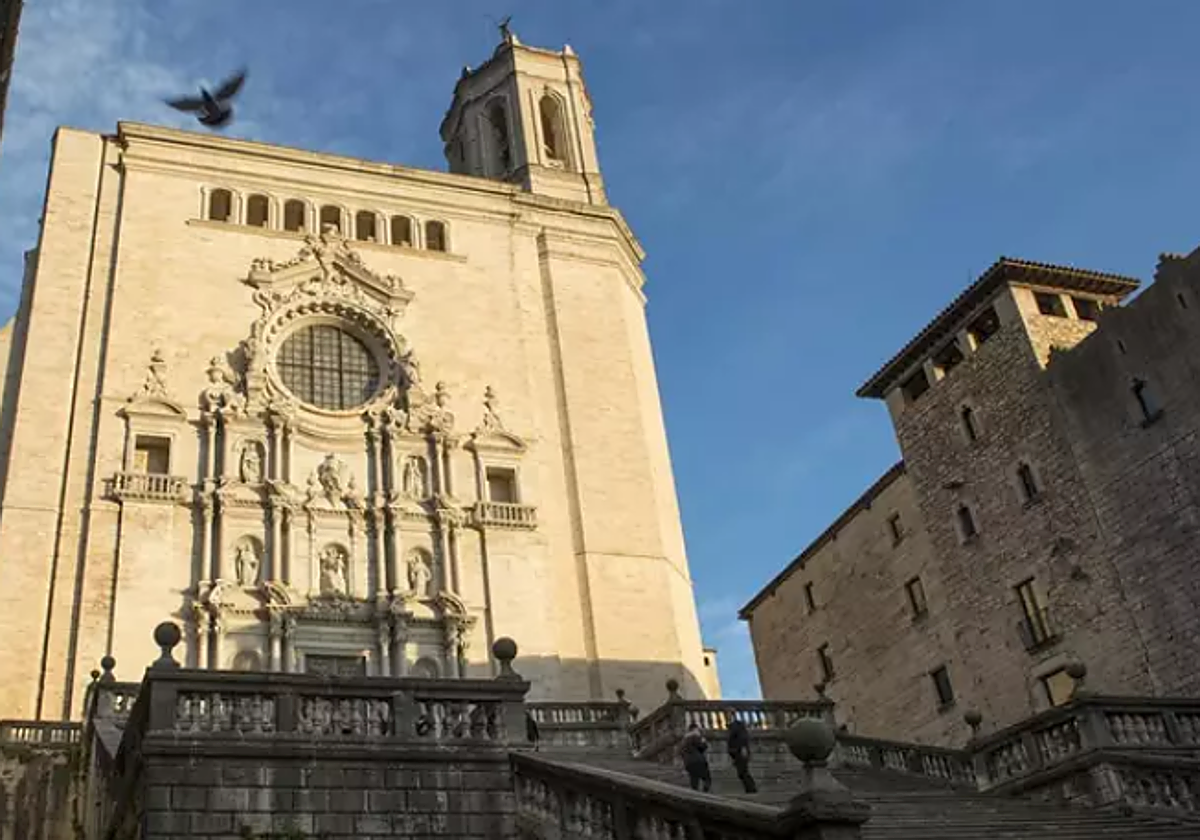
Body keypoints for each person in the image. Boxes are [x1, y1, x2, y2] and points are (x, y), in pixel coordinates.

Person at [727, 718, 758, 793]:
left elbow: (738, 741)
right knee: (742, 772)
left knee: (743, 772)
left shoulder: (738, 731)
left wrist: (739, 750)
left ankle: (751, 788)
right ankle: (750, 788)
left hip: (739, 752)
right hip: (738, 752)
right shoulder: (740, 731)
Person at [679, 723, 712, 792]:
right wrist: (703, 741)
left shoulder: (684, 740)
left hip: (688, 763)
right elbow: (703, 747)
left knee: (694, 780)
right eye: (698, 729)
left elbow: (681, 752)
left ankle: (695, 794)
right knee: (707, 779)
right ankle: (705, 794)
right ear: (694, 729)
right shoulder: (695, 736)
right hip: (698, 761)